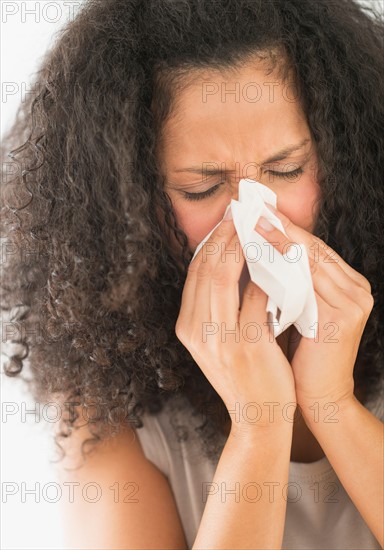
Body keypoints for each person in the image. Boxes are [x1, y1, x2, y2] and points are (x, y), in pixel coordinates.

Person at [1, 0, 383, 548]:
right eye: (203, 188)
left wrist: (333, 406)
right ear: (128, 204)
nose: (259, 219)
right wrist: (260, 424)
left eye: (286, 169)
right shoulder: (111, 410)